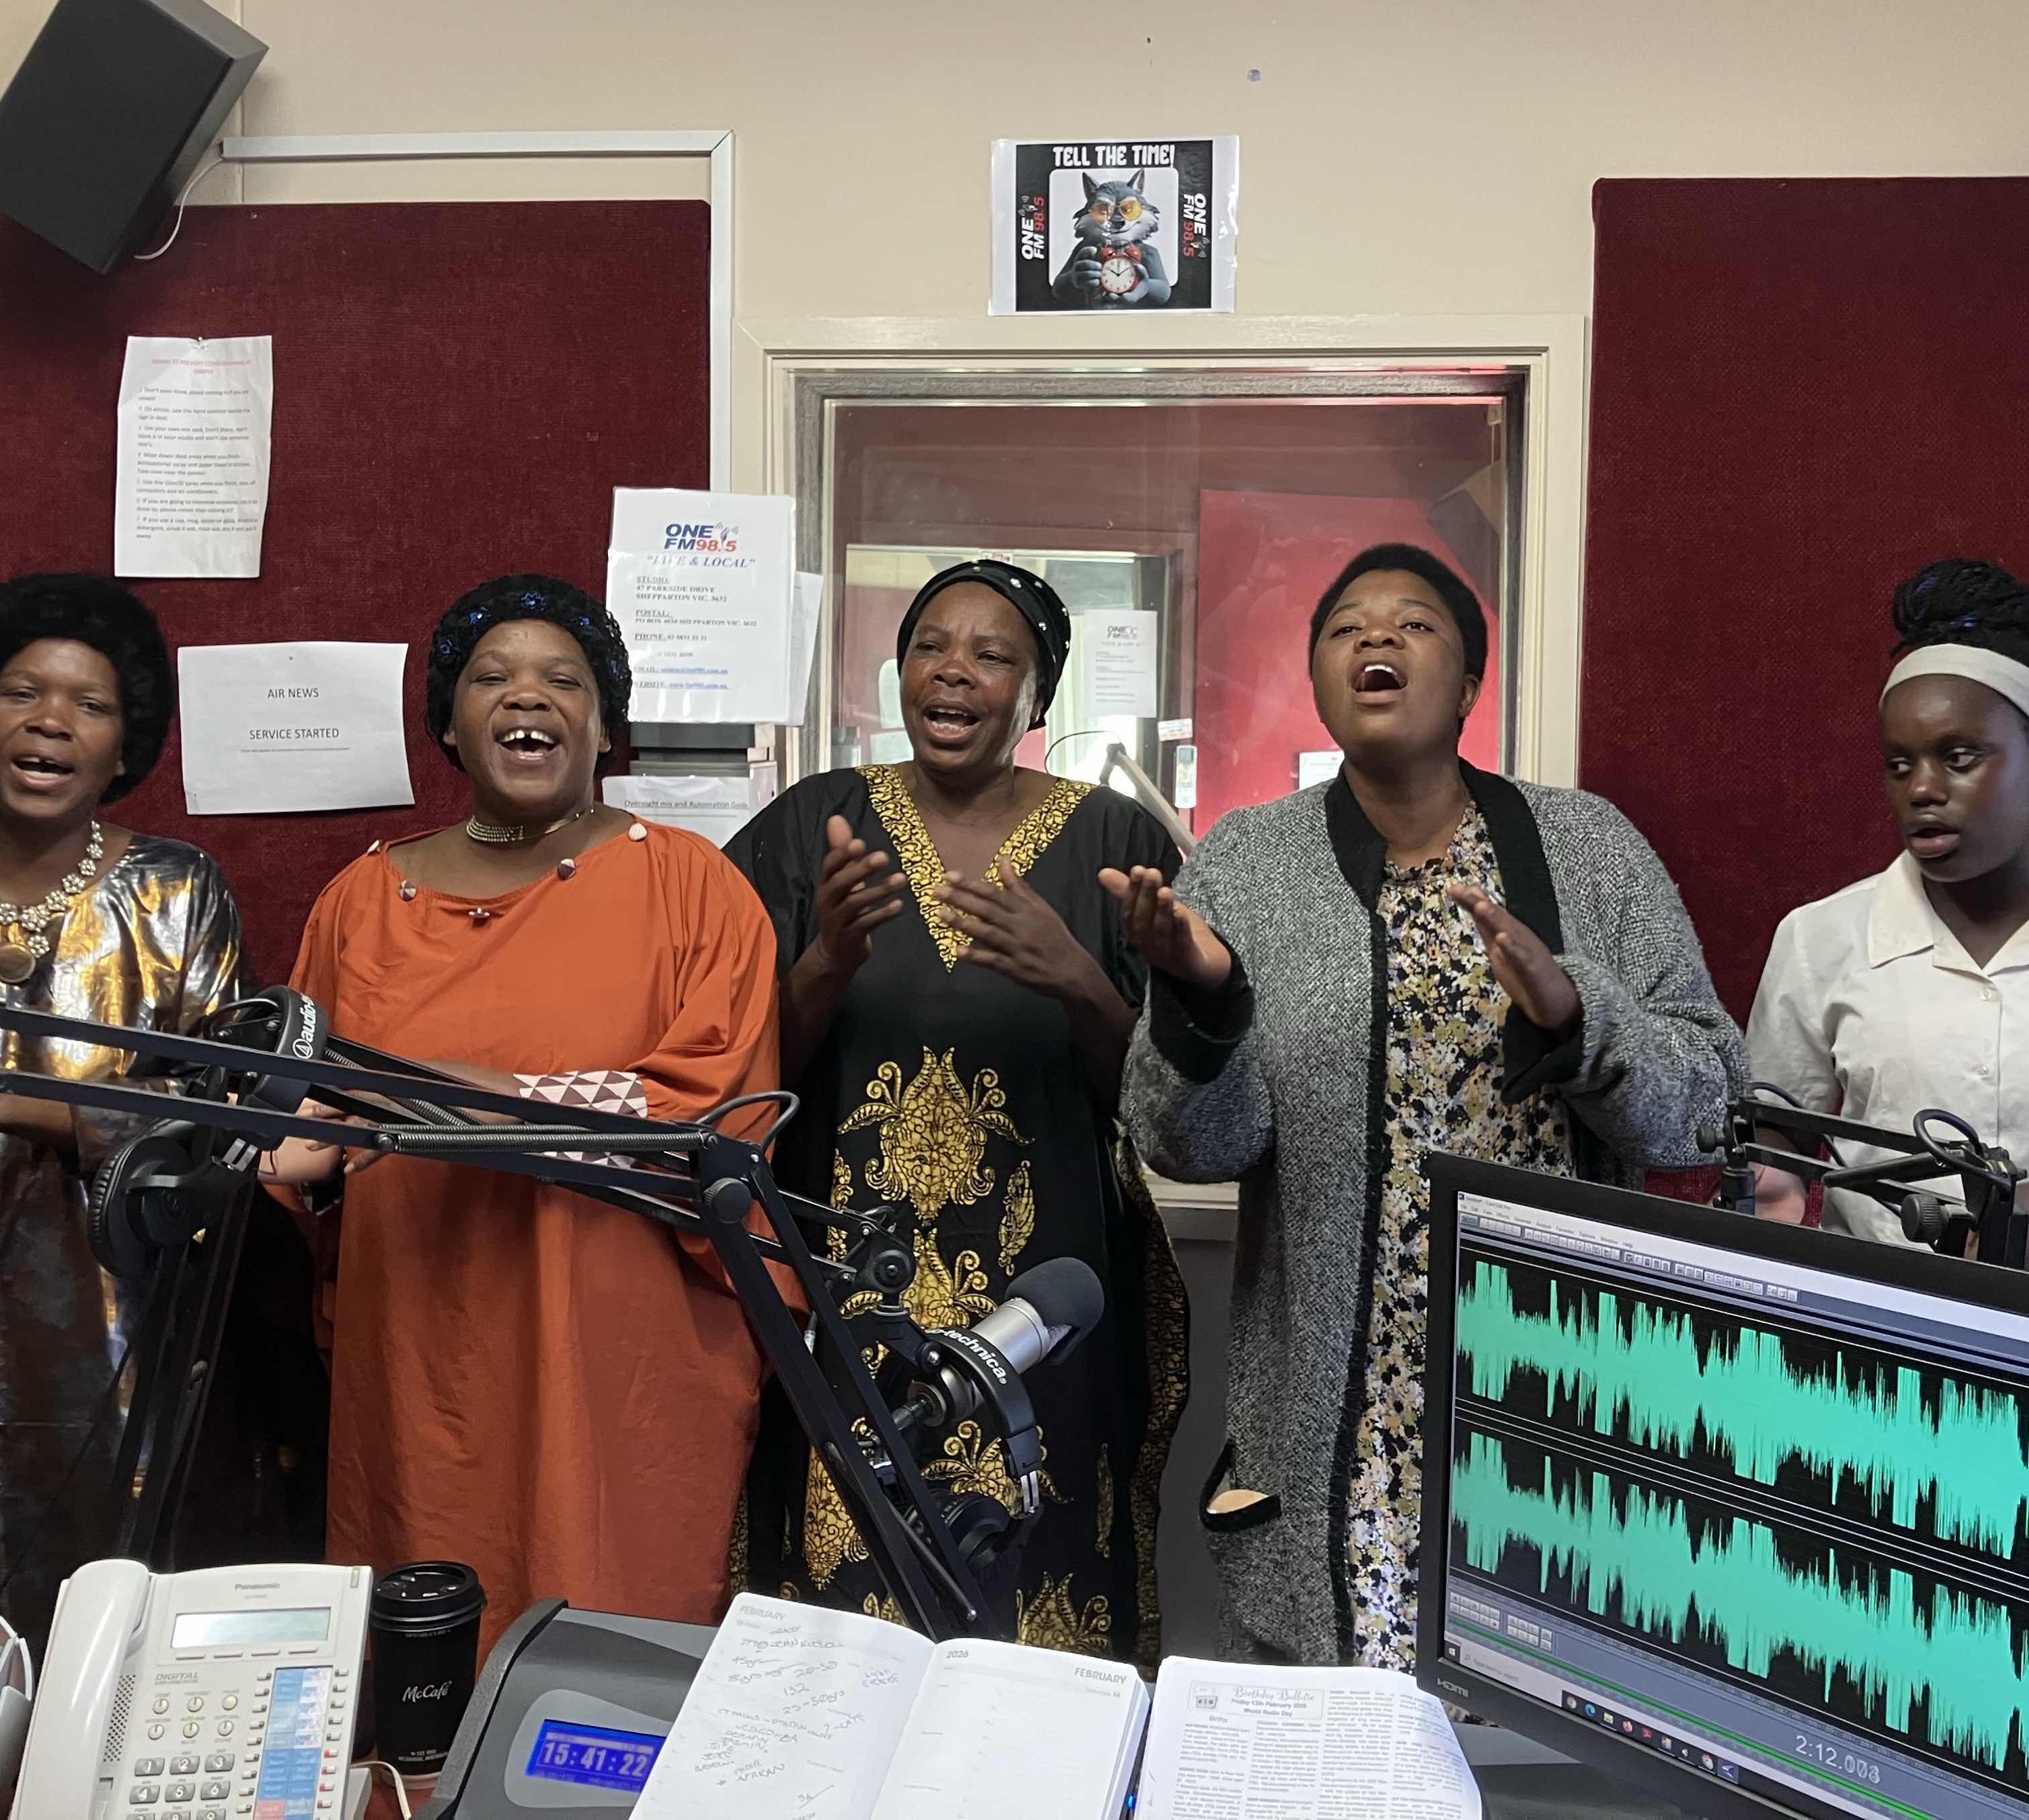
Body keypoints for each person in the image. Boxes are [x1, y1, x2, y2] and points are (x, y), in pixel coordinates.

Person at [1116, 542, 1744, 1668]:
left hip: (1550, 1406)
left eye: (1414, 623)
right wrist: (1203, 1005)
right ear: (1316, 679)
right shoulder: (1247, 862)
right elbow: (1195, 1145)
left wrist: (1575, 1017)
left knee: (1534, 1745)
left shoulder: (1589, 848)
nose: (1375, 640)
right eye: (1348, 625)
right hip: (1333, 1436)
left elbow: (1704, 1107)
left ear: (1468, 683)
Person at [266, 574, 779, 1650]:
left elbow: (709, 1117)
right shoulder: (360, 900)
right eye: (491, 678)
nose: (526, 697)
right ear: (448, 721)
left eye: (563, 679)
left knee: (604, 1657)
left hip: (611, 1348)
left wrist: (468, 1095)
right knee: (427, 1638)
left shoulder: (693, 887)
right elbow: (306, 1111)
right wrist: (290, 1154)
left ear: (606, 721)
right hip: (420, 1339)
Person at [727, 559, 1188, 1664]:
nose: (956, 671)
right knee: (851, 1592)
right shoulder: (811, 827)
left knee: (1040, 1575)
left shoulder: (1119, 844)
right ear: (897, 674)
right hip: (852, 1300)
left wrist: (1078, 977)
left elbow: (1173, 1104)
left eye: (994, 656)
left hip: (1048, 1306)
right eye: (932, 645)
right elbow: (742, 1083)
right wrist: (829, 962)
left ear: (1039, 699)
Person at [0, 573, 252, 1637]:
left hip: (111, 1329)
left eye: (89, 705)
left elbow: (217, 1122)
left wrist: (30, 1110)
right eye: (20, 691)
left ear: (124, 742)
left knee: (95, 1633)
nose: (50, 721)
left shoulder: (176, 891)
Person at [1748, 557, 2029, 1242]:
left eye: (1960, 757)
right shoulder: (1822, 939)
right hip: (1882, 1325)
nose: (1923, 789)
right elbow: (1774, 1142)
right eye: (1900, 764)